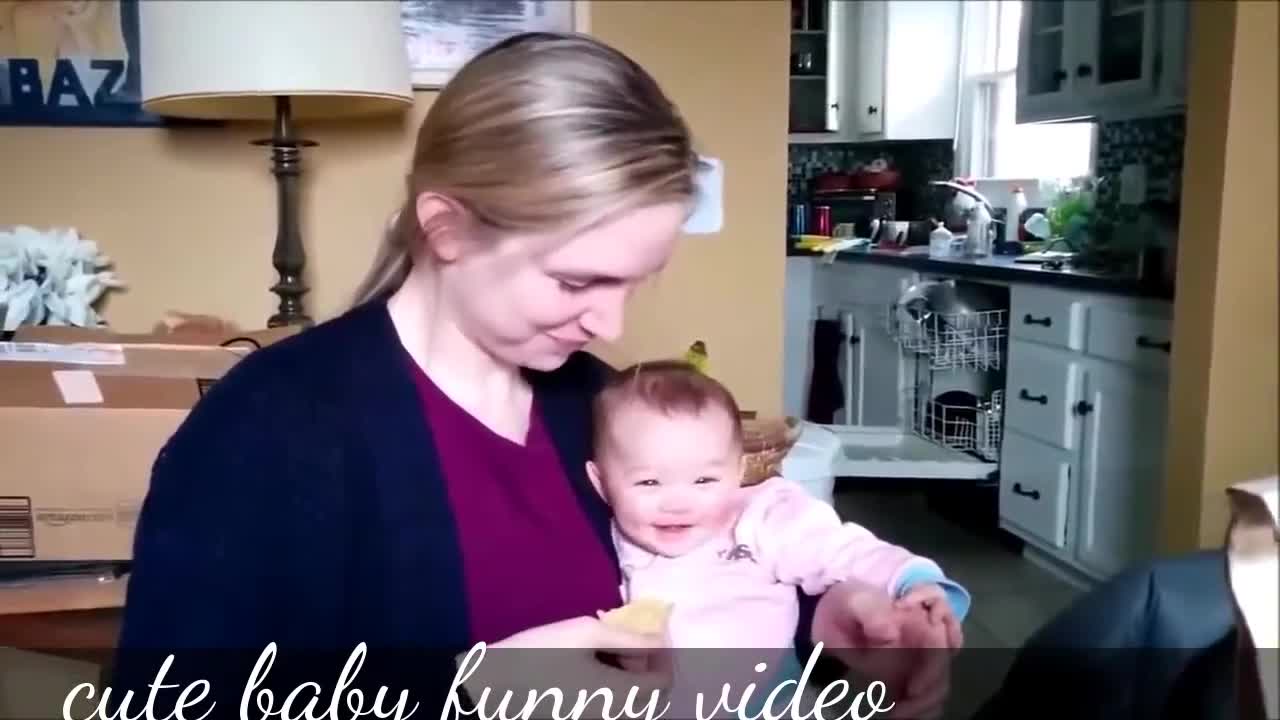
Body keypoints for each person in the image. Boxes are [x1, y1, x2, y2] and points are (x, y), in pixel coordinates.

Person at [111, 31, 956, 718]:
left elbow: (693, 560)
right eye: (576, 281)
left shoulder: (588, 401)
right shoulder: (264, 432)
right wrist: (473, 691)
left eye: (636, 279)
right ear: (446, 228)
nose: (612, 325)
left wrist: (827, 625)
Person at [584, 360, 968, 718]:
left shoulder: (761, 515)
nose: (678, 503)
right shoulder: (612, 540)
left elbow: (838, 548)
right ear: (601, 482)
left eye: (704, 480)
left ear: (737, 472)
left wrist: (912, 581)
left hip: (776, 700)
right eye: (649, 482)